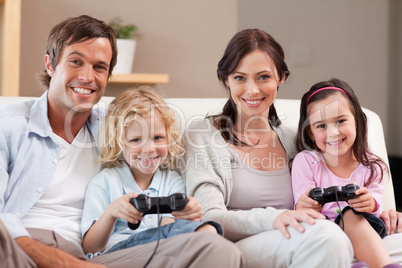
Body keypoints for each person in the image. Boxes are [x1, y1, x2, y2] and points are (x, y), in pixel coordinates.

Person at [0, 15, 243, 268]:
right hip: (20, 250)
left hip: (101, 257)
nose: (87, 76)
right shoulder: (9, 126)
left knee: (216, 248)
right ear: (50, 64)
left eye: (99, 67)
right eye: (76, 61)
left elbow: (161, 142)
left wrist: (190, 212)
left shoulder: (118, 127)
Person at [178, 28, 354, 267]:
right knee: (328, 239)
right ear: (226, 79)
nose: (253, 90)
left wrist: (378, 213)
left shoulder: (295, 139)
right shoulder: (203, 135)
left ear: (281, 78)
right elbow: (208, 217)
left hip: (298, 239)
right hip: (236, 248)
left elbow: (337, 185)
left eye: (263, 77)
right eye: (240, 78)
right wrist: (273, 217)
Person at [81, 87, 222, 256]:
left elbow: (169, 231)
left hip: (159, 250)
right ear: (118, 142)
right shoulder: (105, 182)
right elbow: (89, 248)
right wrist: (111, 213)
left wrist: (189, 216)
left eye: (157, 138)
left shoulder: (172, 180)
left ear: (169, 138)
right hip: (119, 253)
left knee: (208, 231)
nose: (149, 149)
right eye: (135, 140)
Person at [292, 78, 402, 268]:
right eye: (321, 126)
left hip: (365, 226)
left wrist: (369, 202)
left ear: (357, 121)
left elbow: (375, 207)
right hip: (323, 227)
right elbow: (301, 203)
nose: (333, 132)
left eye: (341, 121)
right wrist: (307, 203)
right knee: (338, 220)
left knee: (350, 215)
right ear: (310, 133)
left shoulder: (374, 166)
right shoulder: (306, 161)